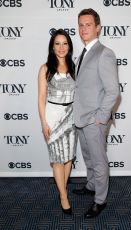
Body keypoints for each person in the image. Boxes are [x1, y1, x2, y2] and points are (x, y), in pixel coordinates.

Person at [73, 8, 119, 218]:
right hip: (81, 117)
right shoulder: (83, 52)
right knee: (88, 157)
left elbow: (113, 91)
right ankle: (91, 186)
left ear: (98, 28)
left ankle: (100, 201)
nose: (84, 29)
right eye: (81, 25)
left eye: (88, 24)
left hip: (94, 120)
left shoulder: (104, 53)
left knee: (99, 161)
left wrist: (100, 118)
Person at [38, 29, 77, 215]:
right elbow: (41, 97)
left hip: (71, 116)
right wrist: (43, 123)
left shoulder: (74, 66)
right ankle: (63, 196)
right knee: (57, 159)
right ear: (52, 47)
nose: (61, 47)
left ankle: (63, 188)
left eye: (65, 43)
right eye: (57, 43)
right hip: (53, 116)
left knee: (68, 157)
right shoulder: (45, 68)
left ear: (69, 46)